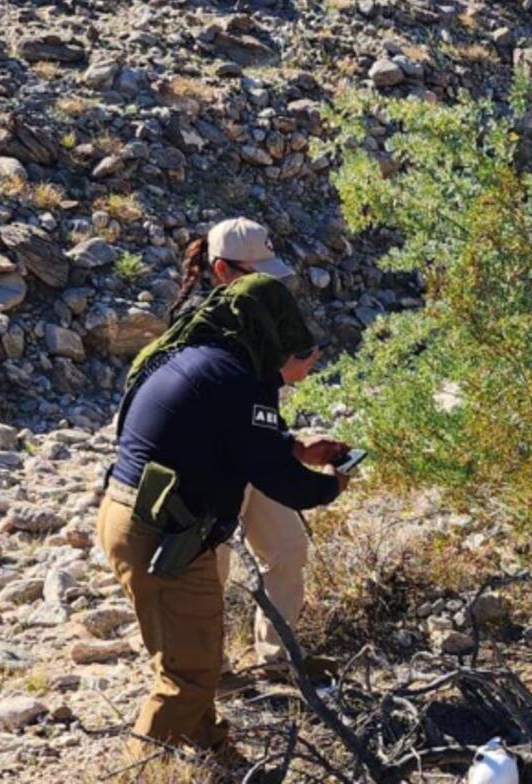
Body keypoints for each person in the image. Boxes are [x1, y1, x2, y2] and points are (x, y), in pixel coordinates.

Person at [97, 273, 349, 766]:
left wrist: (295, 447)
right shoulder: (238, 379)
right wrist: (331, 484)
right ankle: (139, 774)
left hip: (131, 516)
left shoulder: (194, 357)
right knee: (188, 675)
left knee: (188, 661)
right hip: (163, 532)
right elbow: (280, 480)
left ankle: (219, 757)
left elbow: (229, 435)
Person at [170, 218, 329, 682]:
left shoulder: (257, 316)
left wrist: (286, 445)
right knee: (210, 570)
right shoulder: (197, 327)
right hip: (214, 463)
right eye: (256, 276)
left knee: (287, 548)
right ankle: (211, 672)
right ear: (222, 271)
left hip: (256, 448)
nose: (269, 287)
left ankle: (276, 659)